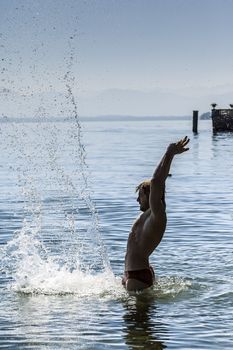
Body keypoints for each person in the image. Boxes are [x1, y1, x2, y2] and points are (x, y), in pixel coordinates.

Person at [122, 136, 190, 291]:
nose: (137, 200)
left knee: (137, 315)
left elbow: (156, 181)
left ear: (150, 195)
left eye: (140, 195)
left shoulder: (157, 213)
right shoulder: (147, 216)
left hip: (138, 274)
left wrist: (169, 153)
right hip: (132, 273)